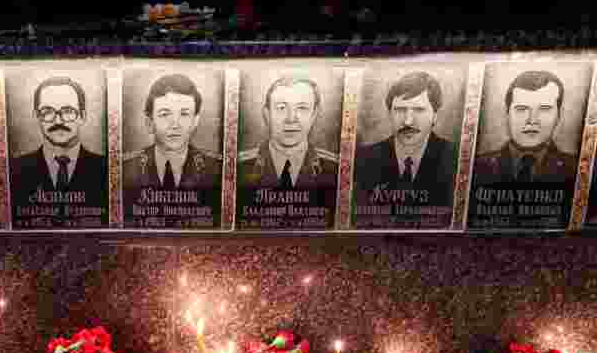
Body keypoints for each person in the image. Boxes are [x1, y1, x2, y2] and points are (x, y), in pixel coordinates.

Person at [354, 71, 456, 204]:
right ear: (389, 114)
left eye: (419, 110)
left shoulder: (455, 157)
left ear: (435, 115)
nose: (408, 121)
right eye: (400, 110)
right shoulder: (364, 159)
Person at [9, 75, 107, 207]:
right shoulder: (14, 170)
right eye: (47, 111)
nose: (58, 121)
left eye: (67, 111)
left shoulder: (106, 169)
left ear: (82, 116)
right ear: (36, 117)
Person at [472, 70, 577, 186]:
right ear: (507, 114)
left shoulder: (575, 168)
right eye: (521, 109)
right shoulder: (475, 166)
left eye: (544, 109)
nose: (532, 120)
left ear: (558, 115)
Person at [123, 73, 221, 190]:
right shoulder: (125, 167)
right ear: (149, 122)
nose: (175, 125)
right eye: (164, 114)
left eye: (184, 114)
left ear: (195, 121)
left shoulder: (217, 168)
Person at [237, 75, 338, 189]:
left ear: (314, 115)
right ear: (267, 115)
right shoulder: (237, 167)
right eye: (281, 108)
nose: (291, 119)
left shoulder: (336, 169)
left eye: (301, 108)